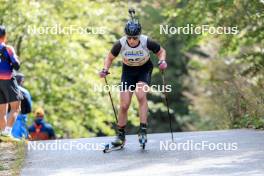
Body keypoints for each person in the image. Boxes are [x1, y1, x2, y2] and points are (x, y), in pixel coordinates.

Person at [99, 9, 167, 147]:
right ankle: (120, 136)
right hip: (128, 72)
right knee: (124, 105)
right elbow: (109, 57)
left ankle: (142, 129)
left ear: (139, 35)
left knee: (141, 95)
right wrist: (105, 69)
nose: (132, 40)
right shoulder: (121, 43)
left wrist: (162, 61)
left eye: (135, 37)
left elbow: (161, 51)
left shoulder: (146, 41)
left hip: (144, 69)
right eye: (129, 37)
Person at [0, 25, 22, 138]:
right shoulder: (8, 48)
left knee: (2, 111)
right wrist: (15, 58)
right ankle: (7, 132)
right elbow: (16, 66)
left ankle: (3, 134)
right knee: (16, 107)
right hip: (8, 80)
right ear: (4, 36)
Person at [11, 73, 32, 139]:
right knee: (20, 137)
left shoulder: (9, 89)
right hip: (21, 117)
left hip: (9, 117)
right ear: (21, 81)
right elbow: (29, 108)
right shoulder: (25, 91)